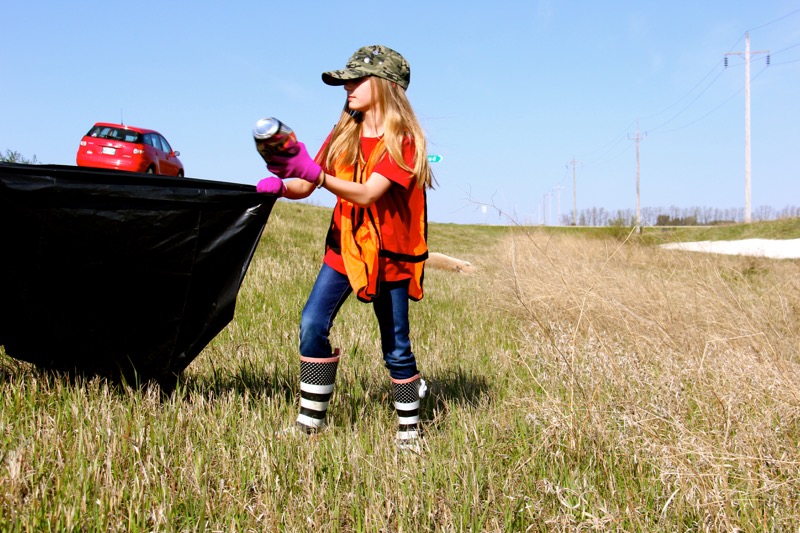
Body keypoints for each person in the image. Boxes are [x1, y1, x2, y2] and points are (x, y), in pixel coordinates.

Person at [257, 44, 434, 451]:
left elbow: (369, 194)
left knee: (396, 347)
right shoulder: (343, 132)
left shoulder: (403, 141)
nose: (347, 88)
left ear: (386, 85)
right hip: (345, 248)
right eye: (346, 80)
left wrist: (316, 177)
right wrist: (283, 185)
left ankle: (409, 432)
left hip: (389, 256)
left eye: (356, 80)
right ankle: (310, 422)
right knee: (311, 325)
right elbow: (307, 180)